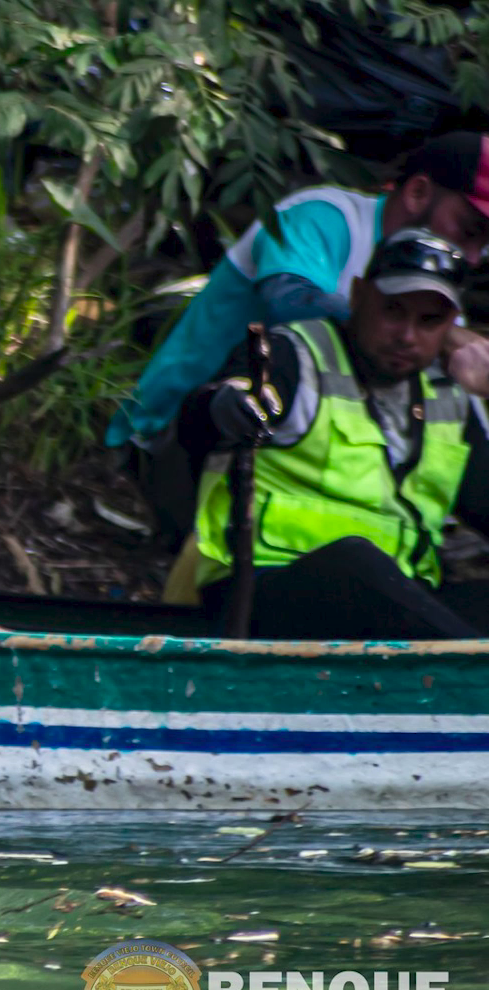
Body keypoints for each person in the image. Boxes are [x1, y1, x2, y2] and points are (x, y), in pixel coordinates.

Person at [109, 131, 489, 539]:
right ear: (417, 193)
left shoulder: (441, 302)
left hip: (291, 474)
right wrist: (441, 339)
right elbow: (288, 303)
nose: (474, 256)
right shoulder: (324, 216)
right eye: (469, 231)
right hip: (186, 438)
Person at [178, 229, 489, 640]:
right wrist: (225, 405)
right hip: (265, 591)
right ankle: (473, 683)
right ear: (359, 295)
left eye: (429, 321)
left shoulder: (450, 399)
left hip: (396, 604)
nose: (407, 336)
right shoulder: (297, 353)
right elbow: (210, 412)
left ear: (452, 325)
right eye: (393, 311)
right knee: (356, 559)